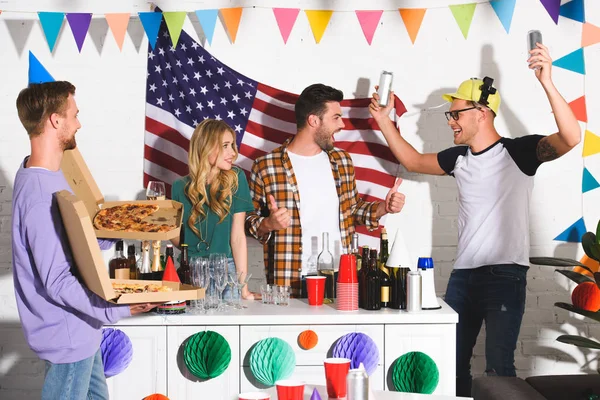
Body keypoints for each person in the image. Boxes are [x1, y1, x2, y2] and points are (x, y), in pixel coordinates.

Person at [368, 44, 581, 396]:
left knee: (499, 367)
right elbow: (413, 160)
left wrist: (546, 81)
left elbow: (572, 137)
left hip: (505, 275)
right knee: (450, 363)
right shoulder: (458, 159)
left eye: (456, 114)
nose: (451, 121)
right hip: (463, 277)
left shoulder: (519, 152)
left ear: (481, 112)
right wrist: (382, 120)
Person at [12, 81, 158, 400]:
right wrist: (115, 309)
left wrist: (127, 223)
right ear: (55, 120)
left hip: (81, 332)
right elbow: (57, 281)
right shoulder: (39, 195)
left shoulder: (44, 174)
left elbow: (78, 243)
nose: (79, 123)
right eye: (74, 115)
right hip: (67, 338)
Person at [245, 83, 405, 297]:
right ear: (313, 120)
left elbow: (353, 210)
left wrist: (384, 208)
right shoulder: (266, 166)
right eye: (336, 118)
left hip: (342, 280)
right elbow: (248, 222)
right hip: (290, 281)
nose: (343, 125)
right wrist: (268, 224)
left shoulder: (342, 161)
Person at [171, 119, 256, 300]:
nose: (233, 152)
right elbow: (179, 241)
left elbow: (238, 238)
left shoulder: (236, 179)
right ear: (206, 147)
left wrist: (243, 288)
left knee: (228, 326)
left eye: (232, 145)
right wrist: (163, 228)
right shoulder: (179, 187)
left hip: (226, 270)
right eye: (225, 145)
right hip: (191, 271)